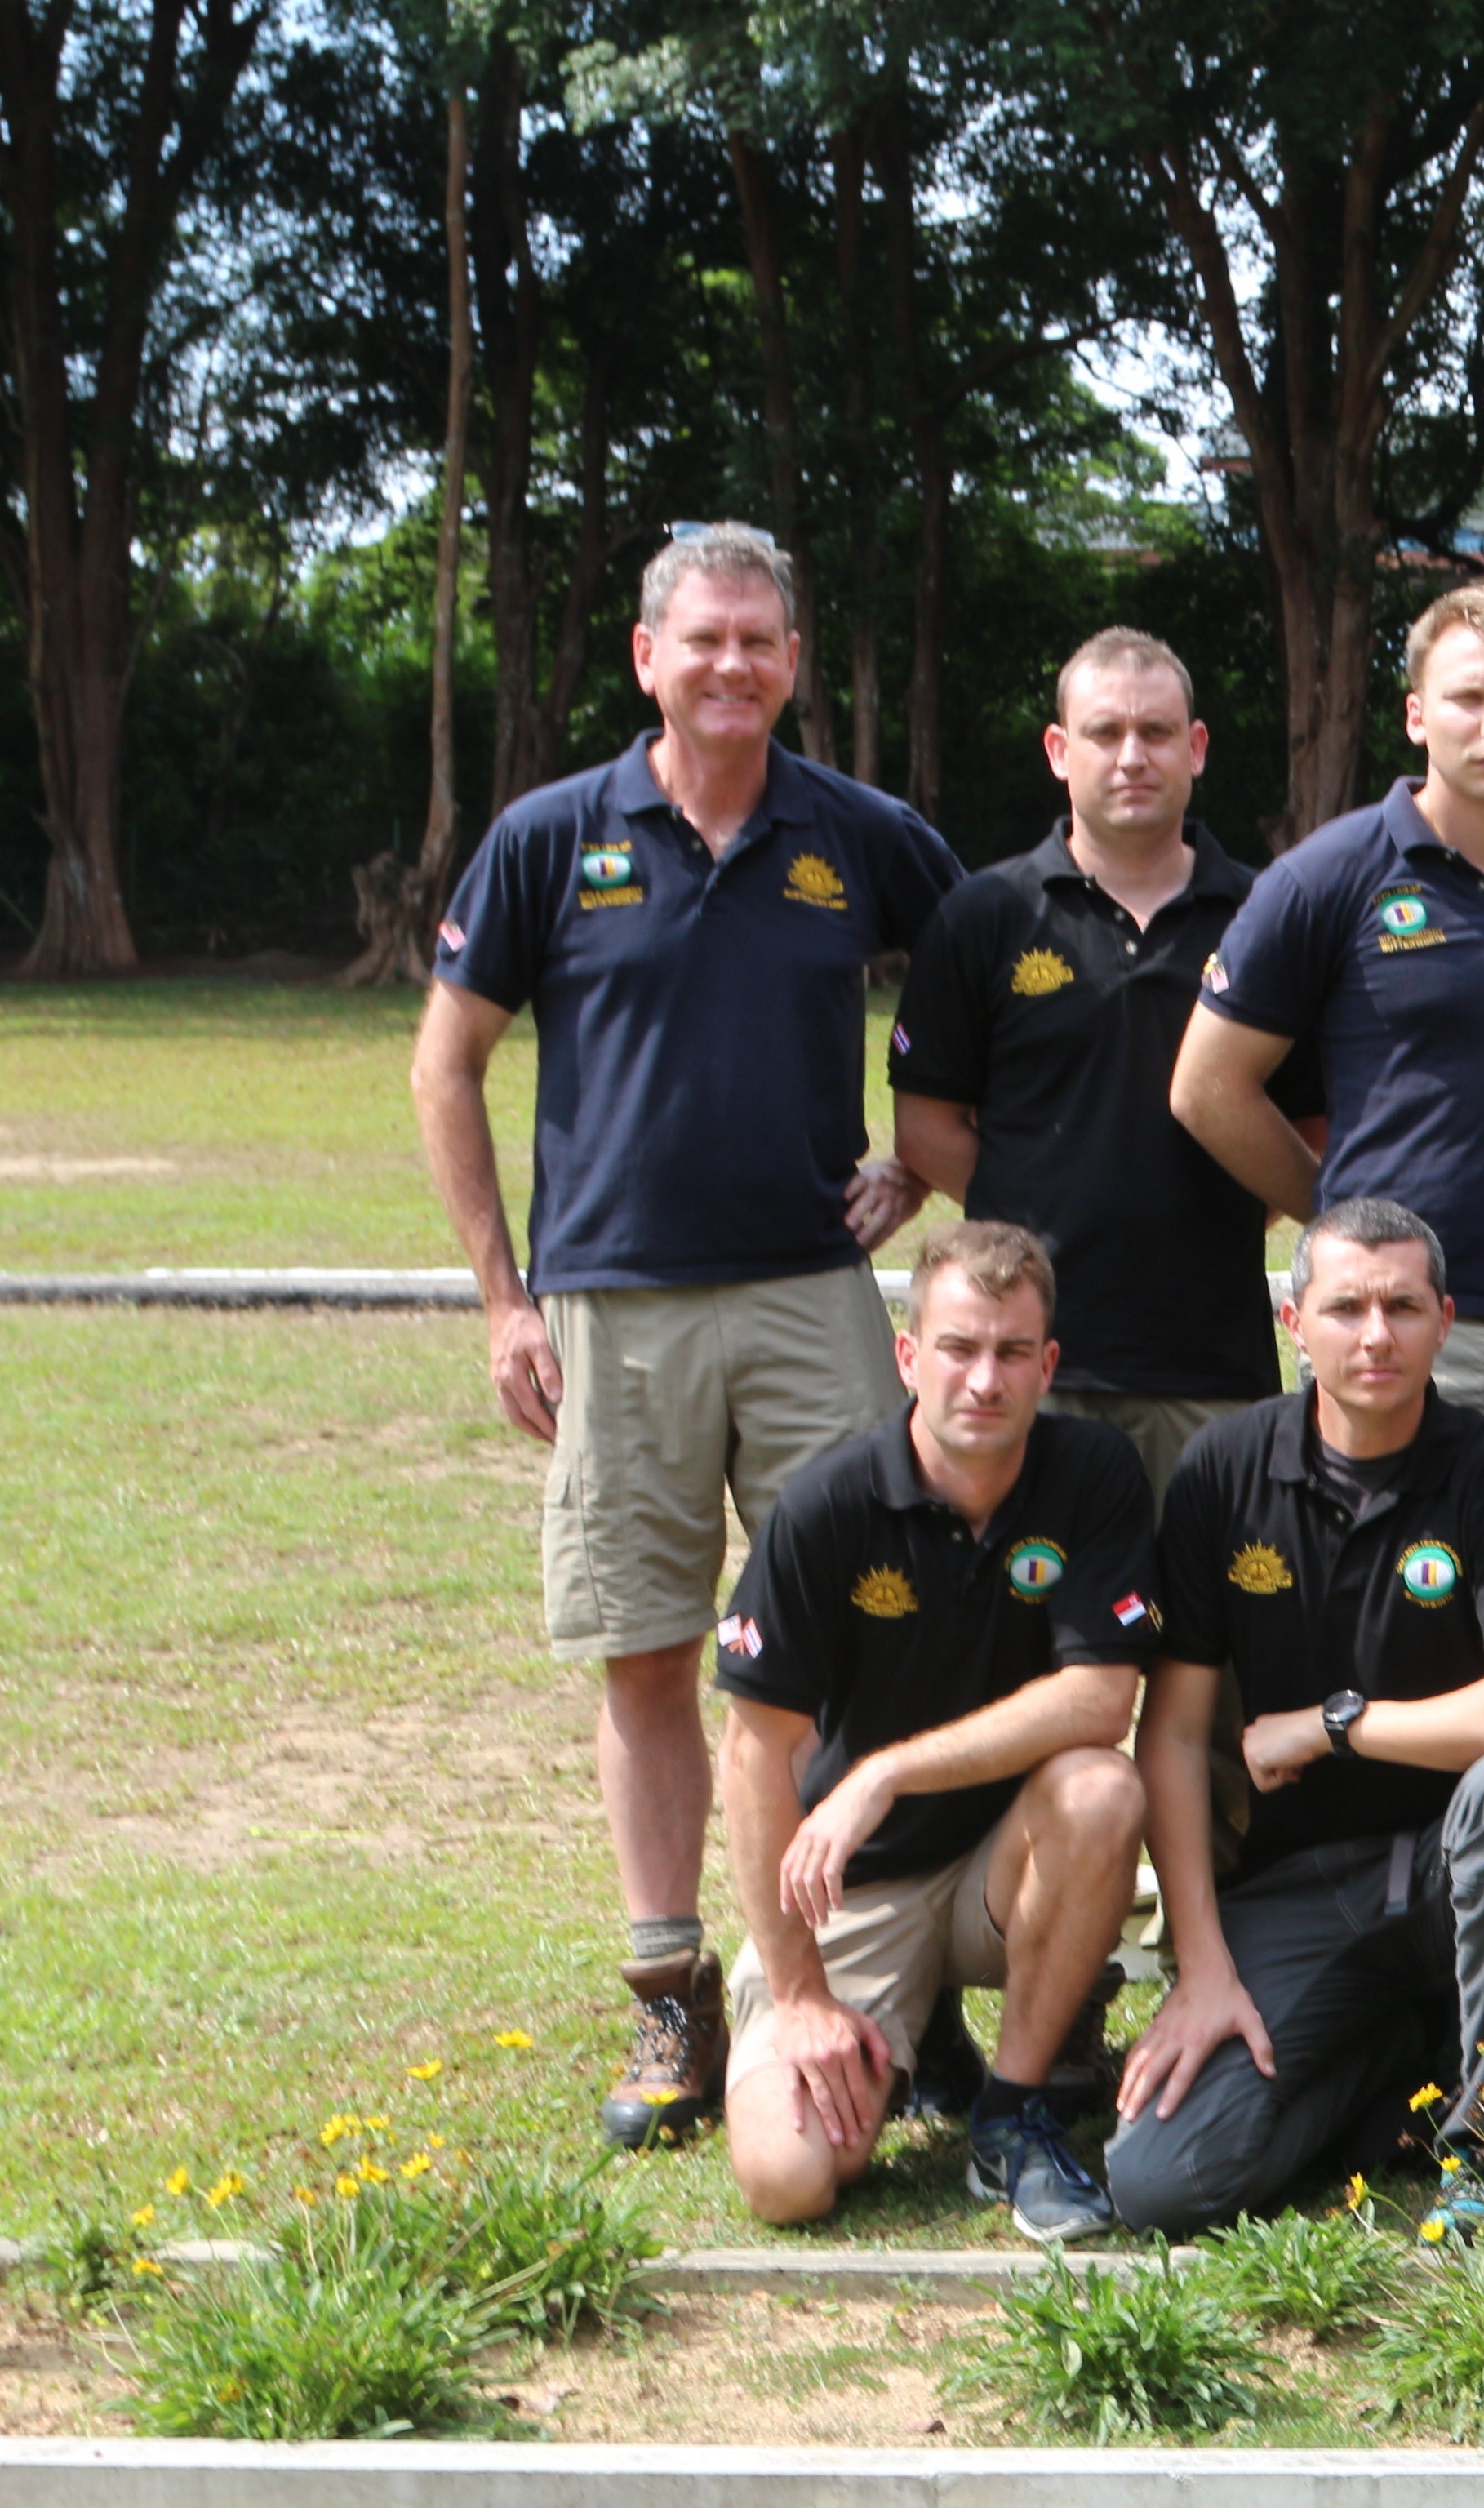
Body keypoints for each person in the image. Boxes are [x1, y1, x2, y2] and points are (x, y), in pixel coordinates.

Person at [409, 519, 963, 2150]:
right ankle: (672, 2011)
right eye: (701, 639)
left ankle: (866, 1982)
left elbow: (988, 981)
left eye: (761, 641)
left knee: (873, 1634)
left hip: (810, 1295)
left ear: (795, 662)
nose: (732, 665)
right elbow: (447, 1066)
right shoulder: (548, 837)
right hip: (612, 1309)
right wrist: (504, 1295)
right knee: (649, 1651)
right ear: (647, 657)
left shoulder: (862, 837)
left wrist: (919, 1163)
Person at [1103, 1199, 1484, 2237]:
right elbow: (1176, 1735)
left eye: (1403, 1307)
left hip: (1457, 1867)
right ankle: (1399, 2060)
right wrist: (1200, 1968)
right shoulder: (1223, 1473)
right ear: (1295, 1323)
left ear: (1445, 1319)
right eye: (1346, 1308)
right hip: (1295, 1886)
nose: (1376, 1335)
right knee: (1161, 2183)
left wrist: (1338, 1725)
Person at [1173, 580, 1484, 1560]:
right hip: (1391, 1329)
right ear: (1417, 715)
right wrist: (1338, 1221)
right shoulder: (1326, 877)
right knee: (1379, 1607)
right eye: (1467, 698)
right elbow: (1207, 1086)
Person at [708, 1223, 1153, 2240]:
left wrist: (885, 1771)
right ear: (910, 1358)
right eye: (957, 1347)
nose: (983, 1379)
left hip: (1009, 1862)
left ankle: (1012, 2112)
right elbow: (753, 1753)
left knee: (1101, 1785)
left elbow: (1099, 1704)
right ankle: (904, 2034)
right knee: (788, 2179)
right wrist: (799, 1996)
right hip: (858, 1882)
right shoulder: (827, 1504)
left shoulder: (1093, 1476)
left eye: (1009, 1353)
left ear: (1048, 1365)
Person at [891, 629, 1286, 1497]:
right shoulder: (984, 913)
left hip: (1214, 1360)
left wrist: (1195, 1223)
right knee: (1037, 1624)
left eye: (1156, 732)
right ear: (1060, 752)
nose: (1132, 756)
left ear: (1198, 747)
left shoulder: (1267, 914)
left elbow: (1308, 1124)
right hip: (1032, 1361)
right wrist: (1041, 1209)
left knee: (1210, 1629)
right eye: (1105, 733)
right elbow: (925, 1128)